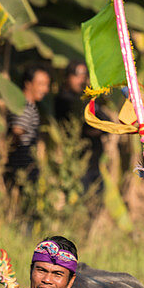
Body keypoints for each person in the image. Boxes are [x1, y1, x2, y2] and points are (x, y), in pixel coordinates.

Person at [54, 60, 104, 192]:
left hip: (94, 164)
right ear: (67, 77)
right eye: (77, 75)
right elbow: (84, 124)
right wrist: (93, 128)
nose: (81, 79)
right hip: (76, 164)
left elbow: (106, 121)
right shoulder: (63, 100)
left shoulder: (86, 99)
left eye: (84, 75)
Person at [3, 65, 51, 192]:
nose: (45, 89)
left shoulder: (29, 106)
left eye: (46, 85)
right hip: (22, 168)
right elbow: (17, 130)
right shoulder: (24, 106)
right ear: (28, 84)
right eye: (41, 84)